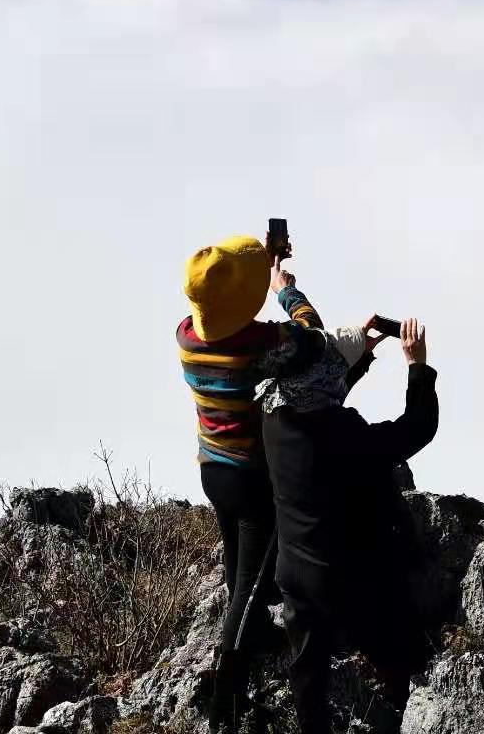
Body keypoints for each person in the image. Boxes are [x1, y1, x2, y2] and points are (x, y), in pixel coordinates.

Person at [178, 234, 377, 721]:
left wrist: (261, 272)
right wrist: (285, 289)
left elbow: (230, 313)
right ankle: (226, 699)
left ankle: (254, 634)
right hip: (251, 478)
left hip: (212, 468)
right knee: (249, 585)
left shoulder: (185, 334)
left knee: (236, 562)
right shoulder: (262, 344)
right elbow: (312, 336)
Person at [260, 317, 440, 734]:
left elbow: (312, 384)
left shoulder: (272, 415)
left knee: (310, 674)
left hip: (293, 571)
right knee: (397, 652)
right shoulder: (347, 433)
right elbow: (417, 427)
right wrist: (418, 367)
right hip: (347, 577)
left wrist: (354, 360)